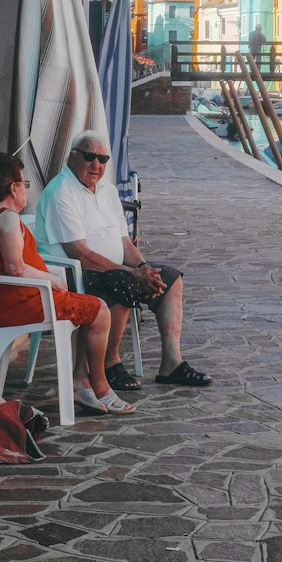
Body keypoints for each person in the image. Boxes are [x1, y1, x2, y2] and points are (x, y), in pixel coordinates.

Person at [35, 131, 212, 393]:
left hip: (113, 269)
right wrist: (132, 273)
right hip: (74, 275)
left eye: (103, 158)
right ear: (72, 157)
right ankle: (111, 363)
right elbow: (80, 254)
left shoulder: (106, 190)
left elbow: (123, 242)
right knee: (123, 281)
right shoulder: (61, 192)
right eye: (89, 157)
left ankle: (171, 364)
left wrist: (143, 268)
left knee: (169, 278)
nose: (97, 165)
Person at [0, 153, 135, 416]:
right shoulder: (8, 219)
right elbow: (15, 268)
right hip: (27, 304)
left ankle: (83, 382)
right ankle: (99, 387)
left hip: (9, 303)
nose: (25, 190)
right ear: (13, 188)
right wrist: (52, 279)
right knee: (100, 309)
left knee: (87, 306)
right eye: (25, 185)